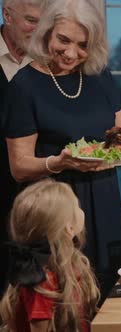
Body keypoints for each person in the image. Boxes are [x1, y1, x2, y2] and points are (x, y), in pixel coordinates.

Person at [3, 0, 121, 300]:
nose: (72, 53)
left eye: (82, 45)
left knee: (108, 295)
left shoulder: (100, 76)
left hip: (104, 197)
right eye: (64, 40)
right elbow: (19, 166)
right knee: (64, 300)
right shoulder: (23, 86)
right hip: (56, 210)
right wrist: (58, 163)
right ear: (47, 32)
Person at [0, 179, 100, 332]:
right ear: (69, 228)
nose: (81, 210)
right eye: (77, 207)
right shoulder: (41, 282)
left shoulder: (67, 265)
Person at [0, 0, 45, 298]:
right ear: (6, 14)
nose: (38, 30)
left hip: (35, 202)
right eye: (31, 20)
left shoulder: (47, 65)